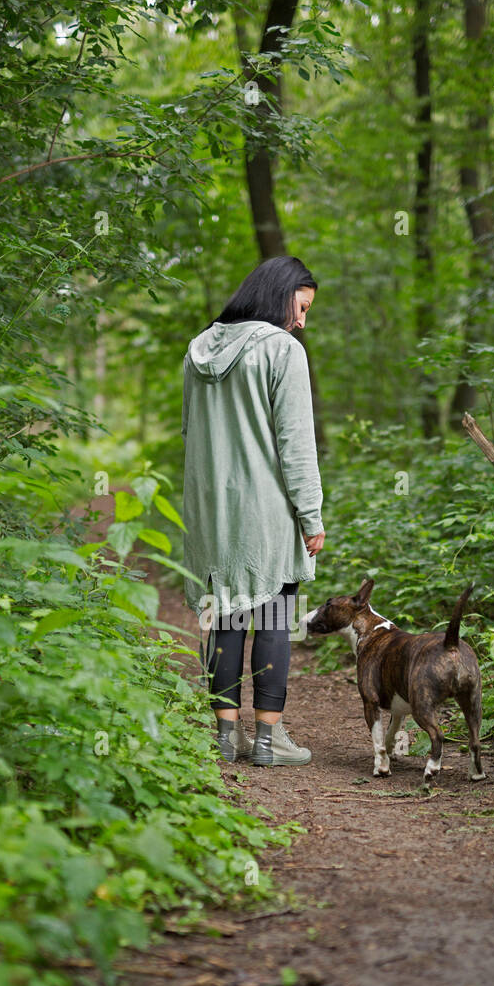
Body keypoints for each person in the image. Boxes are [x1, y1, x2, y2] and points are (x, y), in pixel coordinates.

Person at [181, 255, 325, 767]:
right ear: (278, 294)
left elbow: (189, 434)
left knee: (223, 616)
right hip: (266, 510)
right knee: (275, 616)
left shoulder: (197, 350)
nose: (302, 320)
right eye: (301, 306)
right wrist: (311, 516)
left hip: (209, 510)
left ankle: (225, 738)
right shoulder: (282, 350)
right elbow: (296, 444)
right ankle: (267, 743)